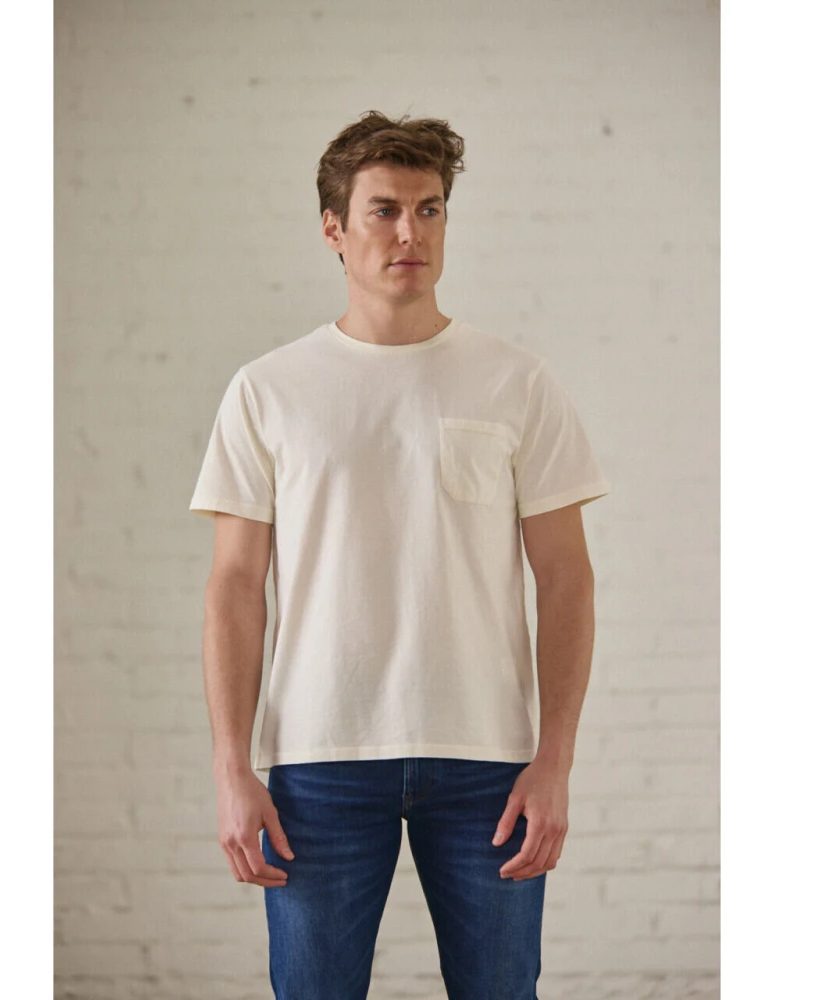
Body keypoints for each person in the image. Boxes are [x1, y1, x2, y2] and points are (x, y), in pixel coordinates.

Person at [188, 110, 610, 1000]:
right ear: (333, 229)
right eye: (383, 210)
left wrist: (556, 759)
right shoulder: (268, 390)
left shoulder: (517, 381)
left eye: (429, 209)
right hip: (318, 758)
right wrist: (231, 768)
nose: (410, 233)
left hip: (489, 761)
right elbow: (234, 586)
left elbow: (566, 578)